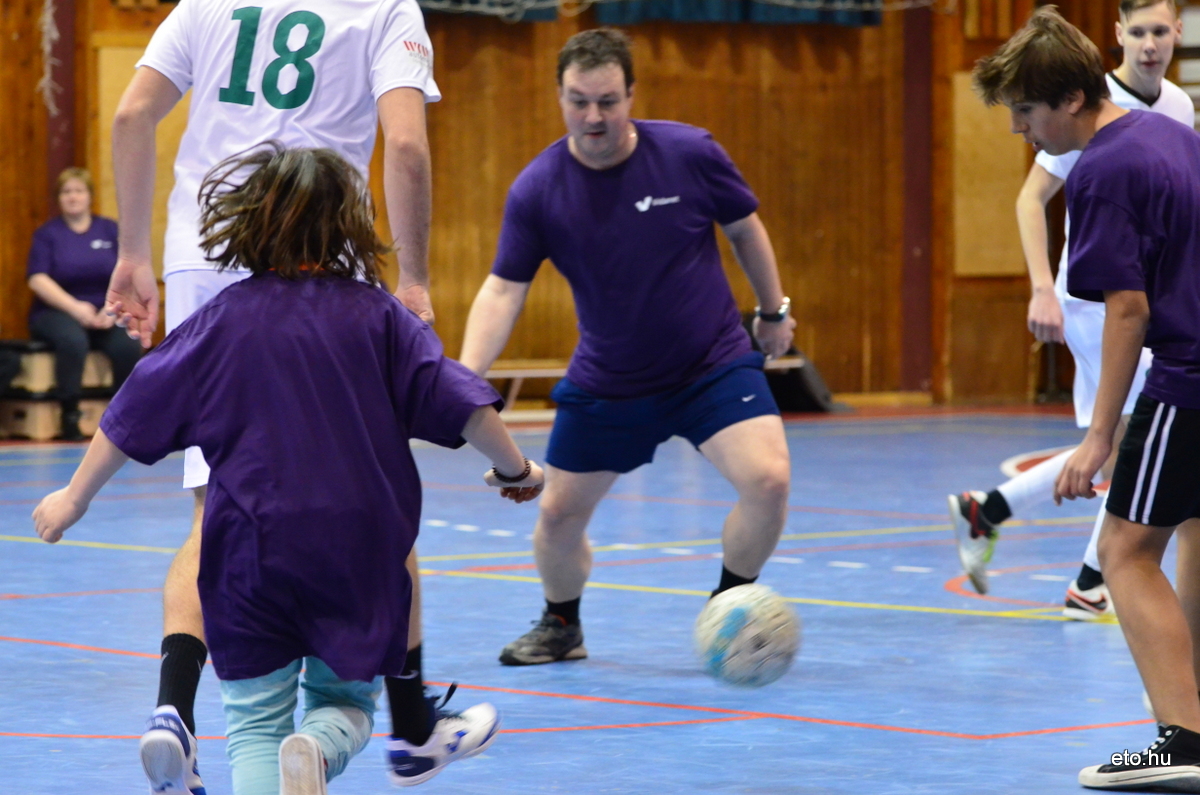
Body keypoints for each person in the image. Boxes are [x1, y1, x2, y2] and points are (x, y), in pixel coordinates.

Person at [32, 145, 544, 795]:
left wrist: (74, 497)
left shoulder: (219, 321)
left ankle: (282, 756)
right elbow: (465, 402)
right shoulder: (381, 316)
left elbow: (131, 412)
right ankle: (319, 749)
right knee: (348, 704)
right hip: (356, 551)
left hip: (248, 549)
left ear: (249, 222)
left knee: (252, 723)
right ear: (346, 227)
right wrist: (517, 469)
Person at [101, 0, 490, 790]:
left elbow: (132, 112)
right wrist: (411, 275)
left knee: (215, 509)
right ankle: (410, 725)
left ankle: (174, 704)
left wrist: (134, 251)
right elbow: (407, 144)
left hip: (207, 254)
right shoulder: (382, 8)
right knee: (372, 490)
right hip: (319, 252)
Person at [459, 28, 796, 666]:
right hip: (610, 381)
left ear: (632, 94)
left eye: (608, 101)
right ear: (559, 97)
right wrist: (464, 378)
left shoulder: (690, 153)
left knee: (769, 479)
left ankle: (728, 608)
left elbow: (745, 229)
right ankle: (562, 626)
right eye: (579, 101)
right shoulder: (538, 189)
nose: (593, 116)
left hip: (711, 367)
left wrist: (772, 310)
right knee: (557, 516)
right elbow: (503, 290)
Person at [976, 8, 1200, 790]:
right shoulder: (1173, 132)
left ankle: (1182, 738)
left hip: (1188, 377)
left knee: (1124, 552)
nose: (1020, 133)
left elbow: (1129, 311)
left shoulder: (1102, 169)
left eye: (1025, 113)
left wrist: (1100, 436)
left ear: (1070, 100)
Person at [949, 0, 1192, 615]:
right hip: (1106, 299)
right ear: (1117, 37)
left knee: (1120, 457)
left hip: (1159, 327)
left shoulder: (1159, 123)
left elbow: (1136, 299)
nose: (1149, 44)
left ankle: (1001, 516)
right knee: (1140, 461)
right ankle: (1091, 579)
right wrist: (1039, 287)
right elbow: (1033, 202)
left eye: (1160, 31)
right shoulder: (1117, 130)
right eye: (1137, 31)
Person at [26, 168, 142, 440]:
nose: (73, 197)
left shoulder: (109, 229)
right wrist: (75, 308)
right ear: (59, 198)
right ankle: (70, 415)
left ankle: (125, 416)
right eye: (66, 192)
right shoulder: (48, 234)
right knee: (72, 340)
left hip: (106, 310)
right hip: (57, 311)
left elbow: (127, 273)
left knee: (128, 342)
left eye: (78, 191)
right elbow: (37, 278)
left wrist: (110, 309)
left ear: (90, 196)